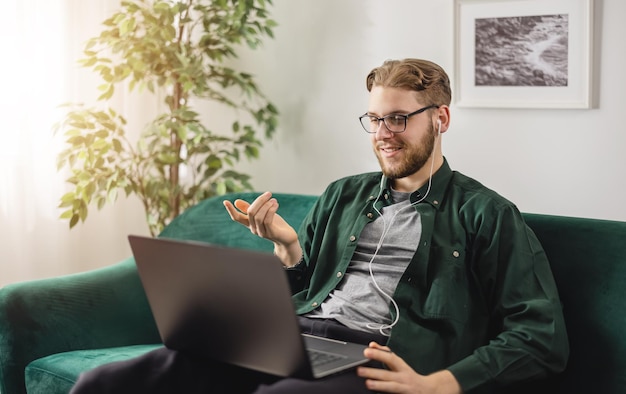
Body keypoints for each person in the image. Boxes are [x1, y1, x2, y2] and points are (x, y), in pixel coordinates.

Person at [71, 58, 568, 394]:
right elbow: (298, 288)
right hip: (294, 335)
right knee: (109, 383)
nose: (383, 135)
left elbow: (540, 336)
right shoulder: (342, 194)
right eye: (373, 119)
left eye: (398, 119)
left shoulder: (485, 214)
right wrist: (287, 250)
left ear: (440, 118)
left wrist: (440, 383)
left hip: (378, 358)